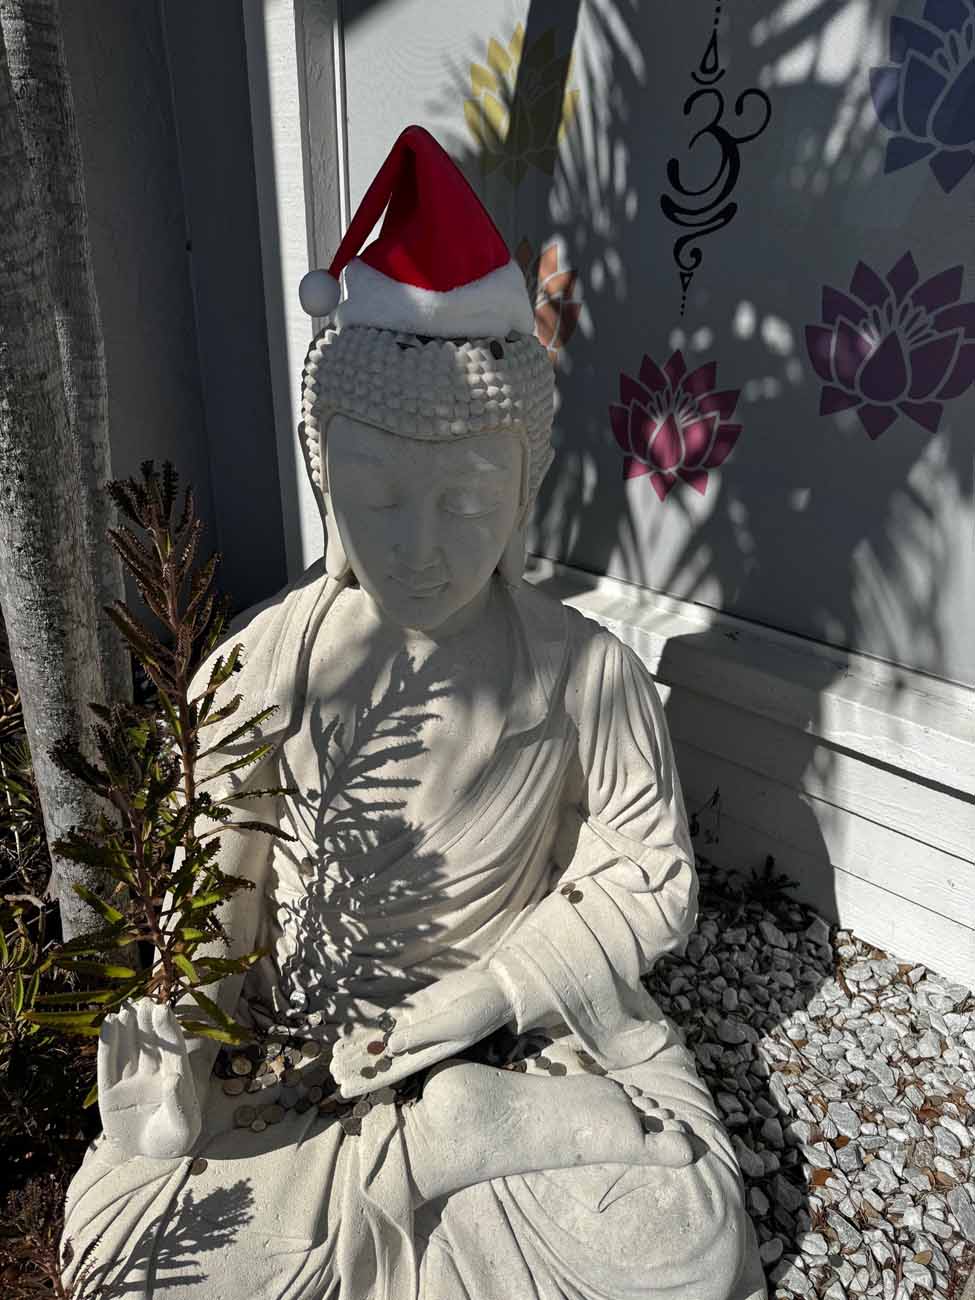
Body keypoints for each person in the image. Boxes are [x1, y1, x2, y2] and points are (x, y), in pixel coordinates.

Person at [63, 125, 765, 1300]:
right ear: (320, 469)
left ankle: (474, 1130)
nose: (421, 547)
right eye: (379, 497)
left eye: (467, 502)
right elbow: (220, 892)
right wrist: (177, 1049)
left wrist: (495, 990)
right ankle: (438, 1149)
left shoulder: (584, 673)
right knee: (122, 1248)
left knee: (684, 1245)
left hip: (521, 1035)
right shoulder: (262, 667)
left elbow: (654, 879)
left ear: (525, 492)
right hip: (305, 1041)